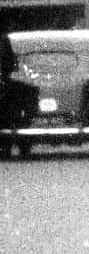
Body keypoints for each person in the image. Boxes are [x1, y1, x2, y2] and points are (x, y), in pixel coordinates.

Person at [1, 30, 39, 158]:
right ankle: (21, 144)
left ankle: (10, 145)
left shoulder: (5, 41)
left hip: (6, 85)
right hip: (7, 83)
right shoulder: (5, 40)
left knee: (10, 114)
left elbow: (9, 64)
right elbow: (10, 64)